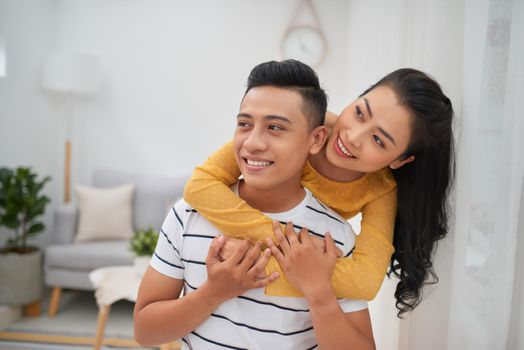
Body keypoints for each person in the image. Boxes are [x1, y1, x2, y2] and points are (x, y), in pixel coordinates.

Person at [134, 60, 375, 349]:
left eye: (274, 127)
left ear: (316, 139)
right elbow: (145, 333)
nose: (252, 143)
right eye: (244, 124)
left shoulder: (333, 237)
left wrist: (319, 294)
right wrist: (212, 294)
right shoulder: (188, 214)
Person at [184, 67, 455, 316]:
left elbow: (366, 280)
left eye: (378, 140)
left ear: (399, 160)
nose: (352, 137)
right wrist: (280, 239)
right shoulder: (306, 125)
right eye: (360, 112)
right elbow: (200, 184)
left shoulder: (381, 189)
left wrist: (263, 266)